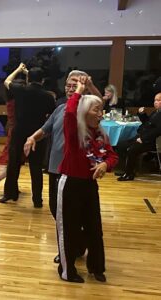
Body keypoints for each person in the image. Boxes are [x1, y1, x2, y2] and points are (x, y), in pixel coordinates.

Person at [24, 70, 102, 263]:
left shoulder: (87, 110)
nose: (70, 88)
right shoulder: (60, 109)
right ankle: (71, 245)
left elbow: (100, 100)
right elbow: (46, 128)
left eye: (75, 85)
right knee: (55, 209)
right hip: (55, 167)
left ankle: (71, 247)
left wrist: (89, 85)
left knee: (75, 212)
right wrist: (32, 137)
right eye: (68, 85)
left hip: (76, 170)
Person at [56, 76, 118, 283]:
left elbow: (112, 156)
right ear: (85, 112)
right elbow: (70, 112)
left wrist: (104, 164)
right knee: (69, 229)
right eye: (96, 110)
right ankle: (67, 271)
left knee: (95, 228)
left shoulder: (99, 134)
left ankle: (97, 267)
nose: (101, 114)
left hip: (89, 185)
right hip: (70, 183)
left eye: (101, 110)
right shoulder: (74, 132)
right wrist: (79, 91)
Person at [0, 63, 55, 208]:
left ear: (29, 78)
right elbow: (51, 115)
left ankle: (10, 194)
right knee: (36, 168)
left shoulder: (21, 90)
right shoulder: (48, 96)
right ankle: (37, 200)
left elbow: (7, 81)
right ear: (43, 80)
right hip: (37, 135)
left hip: (19, 132)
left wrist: (19, 70)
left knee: (14, 165)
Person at [0, 79, 25, 194]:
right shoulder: (16, 102)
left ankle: (12, 185)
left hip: (14, 132)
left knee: (16, 162)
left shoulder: (11, 100)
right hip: (16, 133)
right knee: (14, 162)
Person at [116, 92, 161, 181]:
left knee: (132, 149)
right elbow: (147, 123)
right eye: (155, 100)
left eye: (158, 100)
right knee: (121, 145)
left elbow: (157, 131)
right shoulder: (156, 112)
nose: (155, 102)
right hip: (142, 136)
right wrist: (142, 114)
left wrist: (143, 139)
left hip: (152, 141)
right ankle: (128, 169)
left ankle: (129, 174)